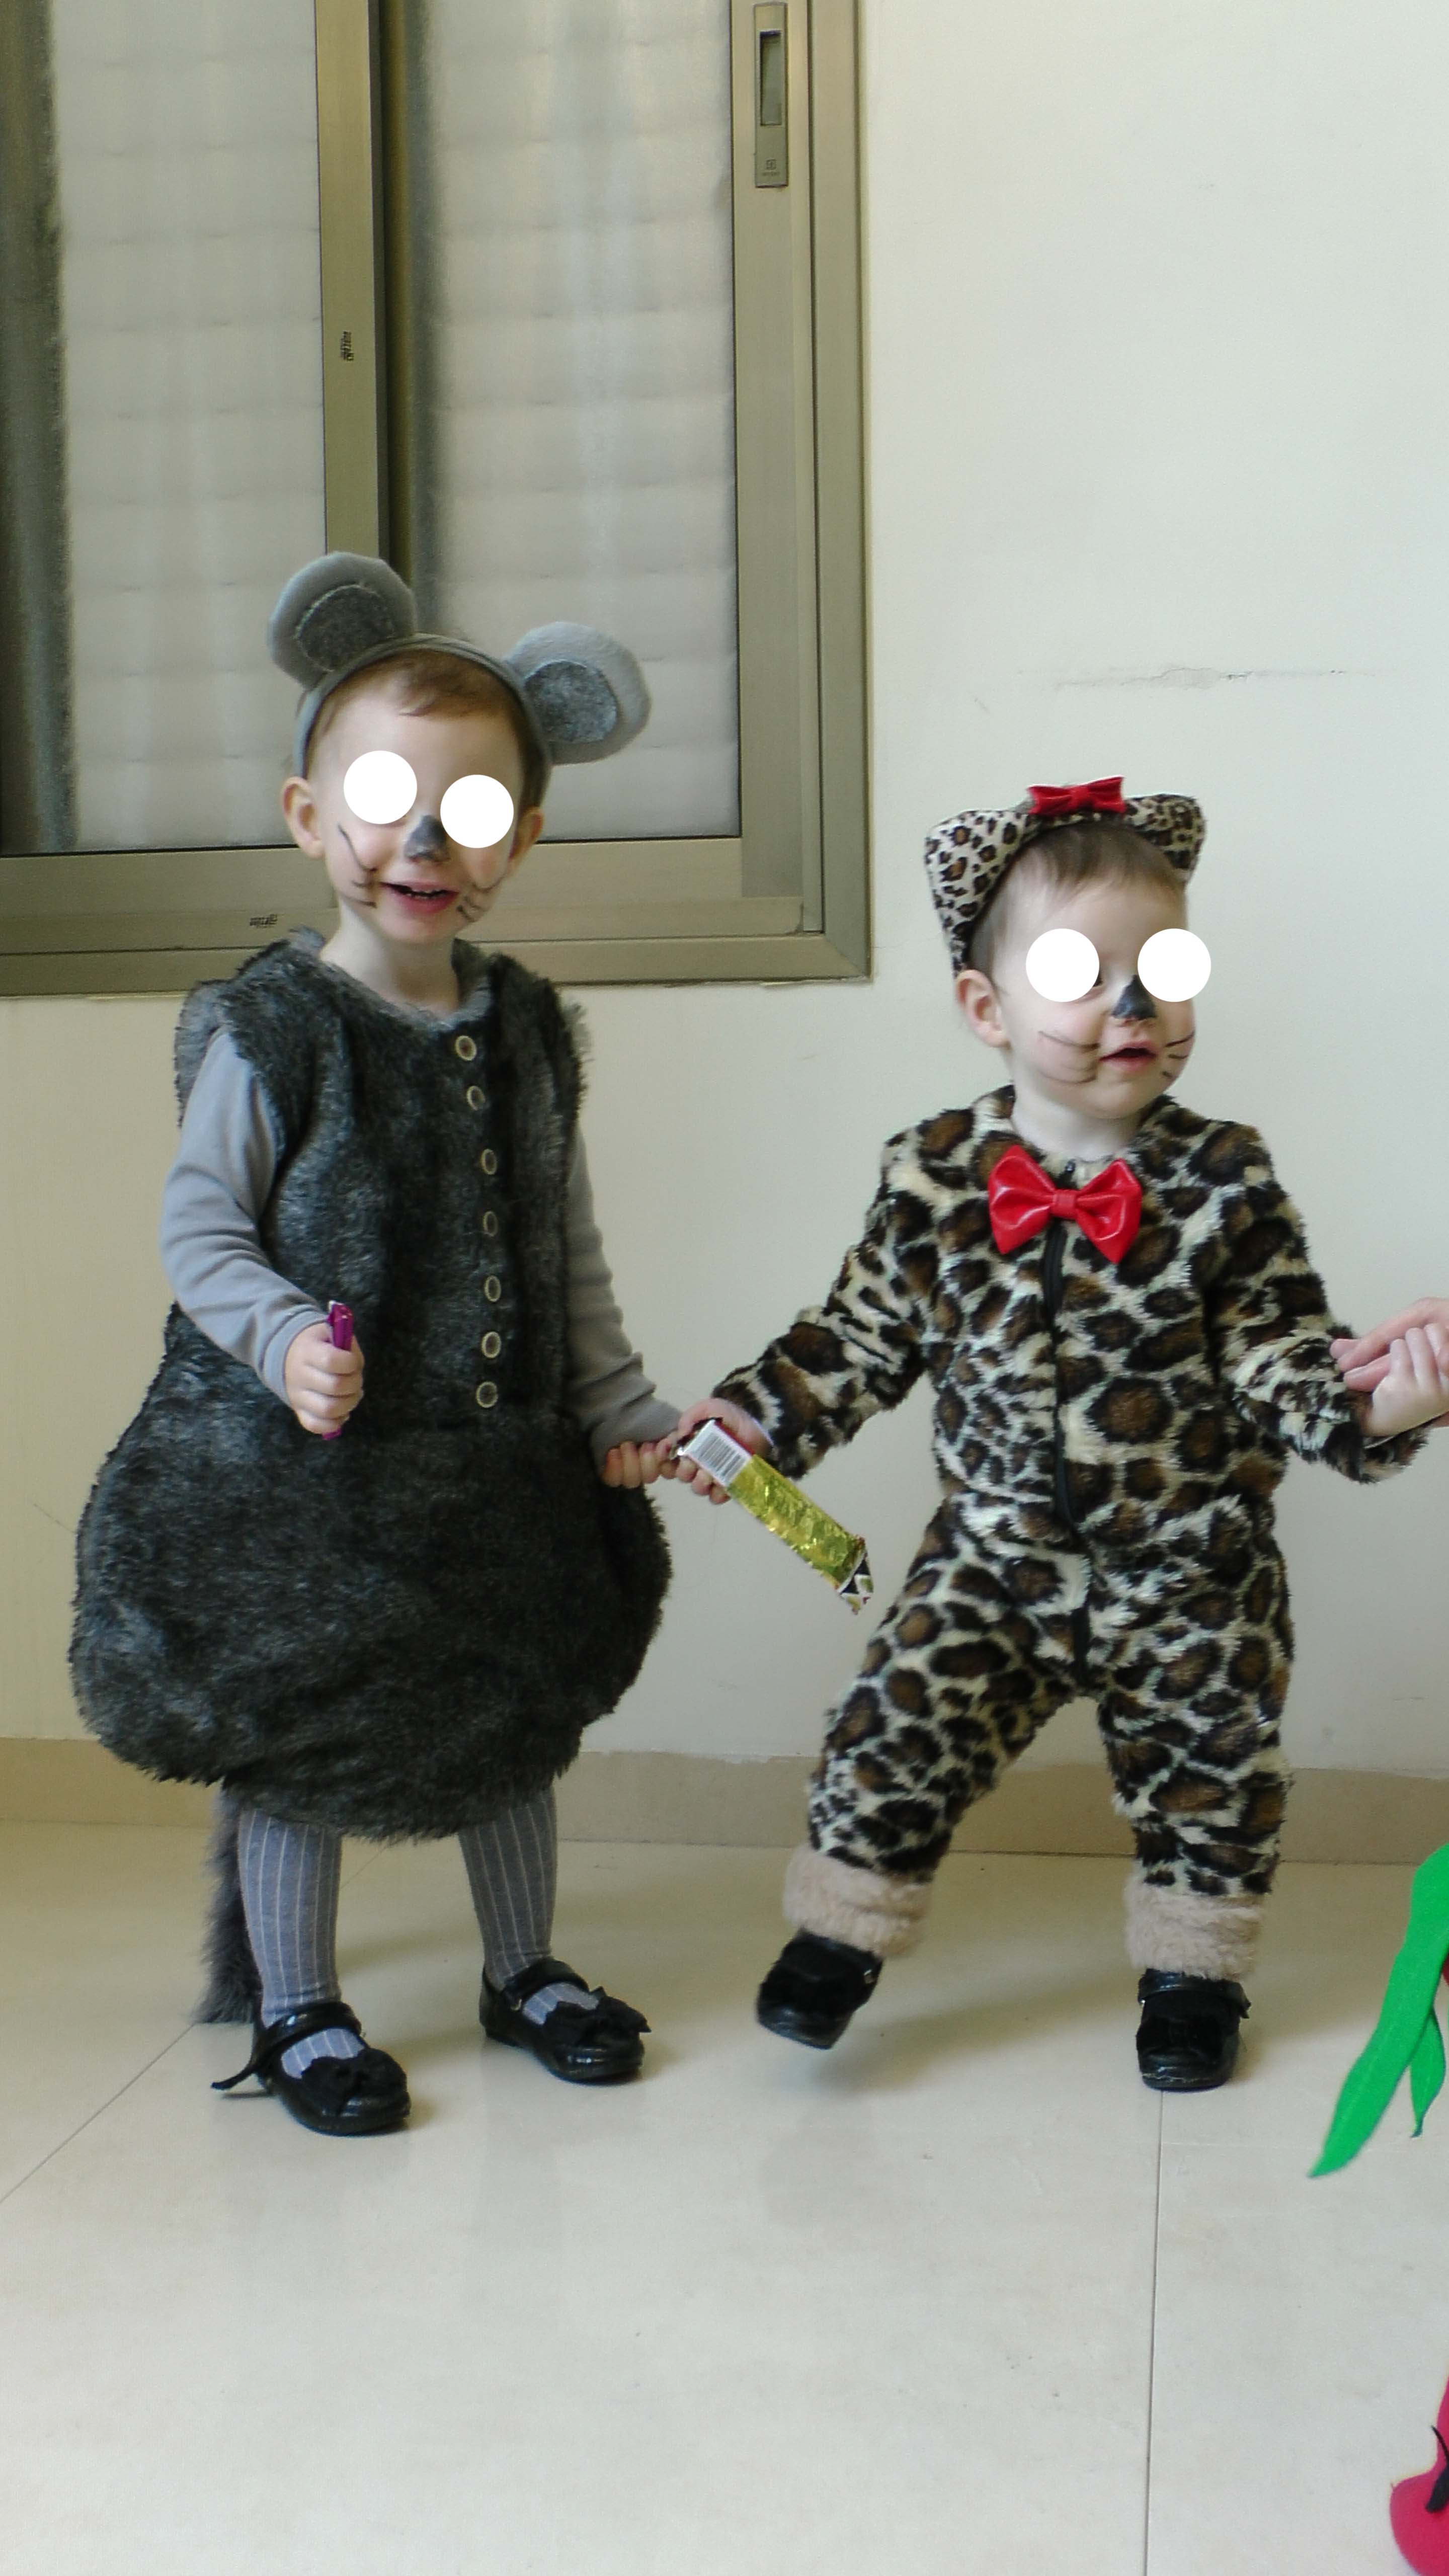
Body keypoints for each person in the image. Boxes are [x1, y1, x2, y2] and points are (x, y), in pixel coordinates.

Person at [671, 779, 1449, 2090]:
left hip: (1192, 1569)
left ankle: (1194, 1980)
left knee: (1214, 1771)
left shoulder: (1226, 1179)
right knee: (893, 1728)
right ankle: (841, 1934)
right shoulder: (932, 1174)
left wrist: (1386, 1402)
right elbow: (858, 1336)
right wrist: (750, 1423)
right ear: (989, 1009)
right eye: (1084, 975)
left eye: (1166, 968)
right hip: (991, 1562)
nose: (1134, 1004)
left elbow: (1281, 1352)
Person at [71, 553, 678, 2136]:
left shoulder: (526, 1028)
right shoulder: (277, 1028)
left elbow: (561, 1241)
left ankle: (523, 1969)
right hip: (308, 1479)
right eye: (386, 798)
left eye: (470, 811)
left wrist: (614, 1398)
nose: (424, 840)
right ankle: (298, 2006)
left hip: (491, 1470)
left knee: (508, 1717)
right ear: (307, 813)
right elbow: (202, 1227)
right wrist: (282, 1337)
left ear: (518, 840)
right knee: (306, 1735)